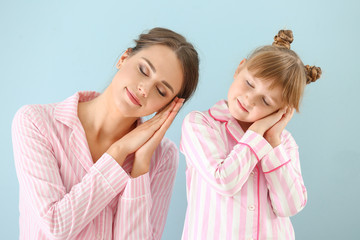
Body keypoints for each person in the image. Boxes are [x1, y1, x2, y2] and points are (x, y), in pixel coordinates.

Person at [12, 27, 199, 240]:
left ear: (167, 107)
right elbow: (56, 226)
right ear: (123, 58)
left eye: (161, 91)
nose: (145, 89)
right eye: (144, 70)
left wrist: (140, 167)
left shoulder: (162, 155)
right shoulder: (36, 122)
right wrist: (118, 151)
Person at [180, 30, 321, 240]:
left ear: (282, 110)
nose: (249, 99)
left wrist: (272, 141)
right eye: (249, 83)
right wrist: (256, 133)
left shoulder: (284, 143)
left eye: (266, 101)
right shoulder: (201, 124)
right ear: (239, 68)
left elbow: (289, 206)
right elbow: (224, 181)